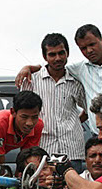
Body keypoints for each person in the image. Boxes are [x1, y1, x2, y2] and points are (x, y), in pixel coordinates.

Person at [16, 24, 102, 136]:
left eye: (92, 44)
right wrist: (29, 67)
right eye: (83, 48)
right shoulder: (80, 69)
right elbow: (54, 67)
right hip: (99, 140)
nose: (89, 51)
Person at [20, 33, 87, 172]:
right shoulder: (32, 80)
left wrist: (73, 124)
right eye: (52, 54)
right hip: (42, 152)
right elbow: (22, 113)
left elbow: (89, 110)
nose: (58, 58)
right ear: (45, 57)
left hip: (72, 152)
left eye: (61, 53)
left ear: (67, 53)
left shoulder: (76, 81)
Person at [0, 90, 43, 165]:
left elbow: (27, 156)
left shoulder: (38, 125)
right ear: (13, 112)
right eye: (24, 117)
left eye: (34, 117)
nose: (29, 123)